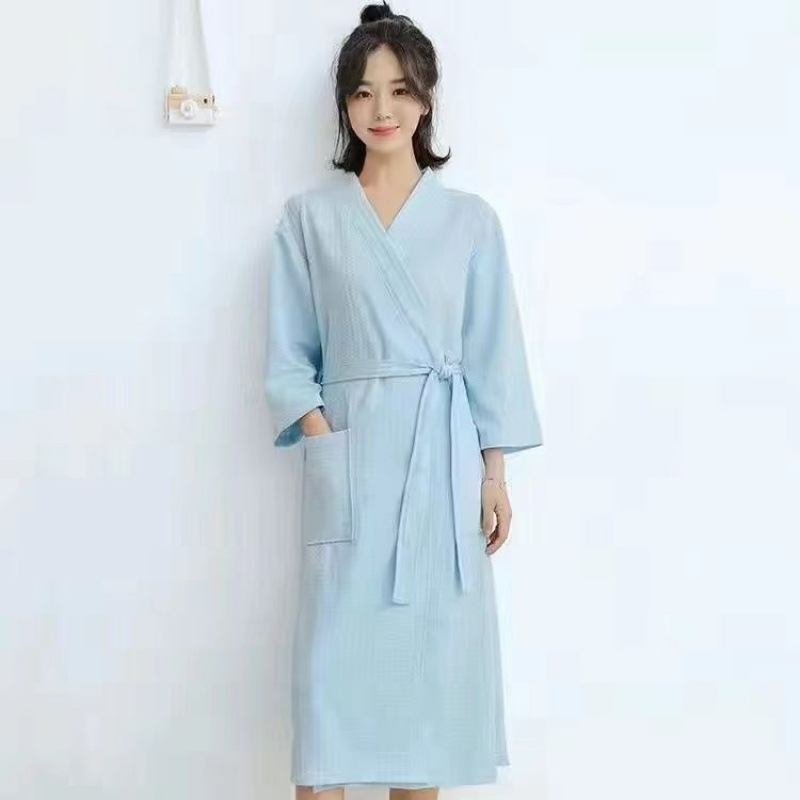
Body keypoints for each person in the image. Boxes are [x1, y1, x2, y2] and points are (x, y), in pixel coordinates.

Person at [264, 3, 544, 798]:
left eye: (398, 90)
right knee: (326, 728)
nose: (380, 109)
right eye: (361, 92)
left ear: (426, 99)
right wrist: (326, 435)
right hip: (352, 474)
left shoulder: (471, 222)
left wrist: (494, 475)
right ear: (344, 107)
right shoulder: (310, 219)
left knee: (424, 722)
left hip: (440, 479)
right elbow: (288, 358)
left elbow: (492, 356)